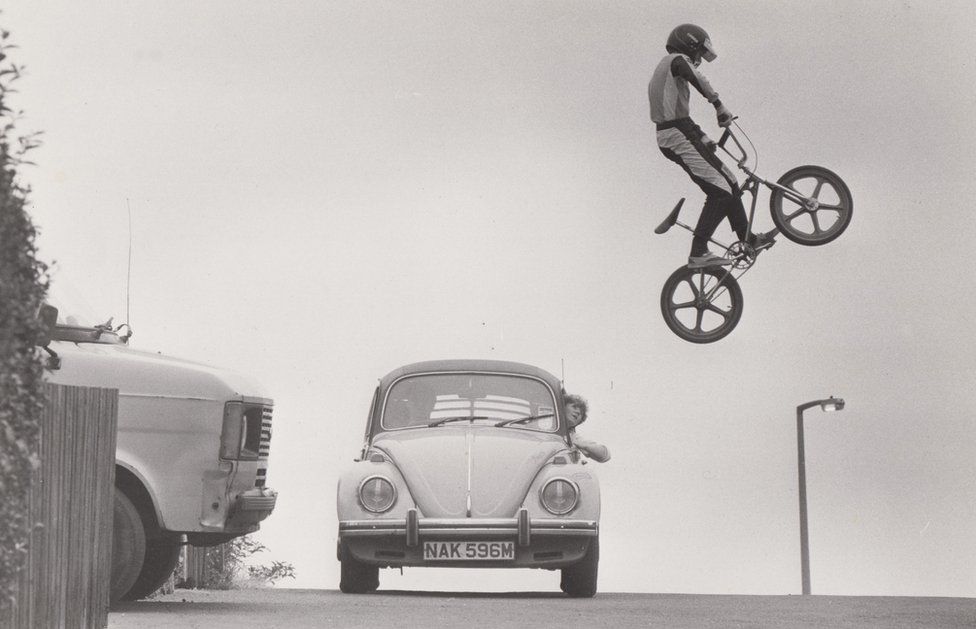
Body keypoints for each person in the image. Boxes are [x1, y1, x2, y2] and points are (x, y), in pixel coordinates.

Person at [648, 23, 775, 268]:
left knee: (730, 181)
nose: (699, 60)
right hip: (675, 136)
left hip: (680, 131)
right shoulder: (676, 60)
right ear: (690, 44)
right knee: (720, 189)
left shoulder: (669, 72)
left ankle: (747, 239)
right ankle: (698, 252)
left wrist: (702, 137)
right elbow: (696, 79)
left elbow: (679, 115)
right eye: (699, 53)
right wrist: (718, 104)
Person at [563, 394, 610, 463]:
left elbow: (605, 456)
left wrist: (582, 445)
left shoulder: (573, 437)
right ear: (563, 406)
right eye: (574, 407)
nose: (578, 412)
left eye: (581, 413)